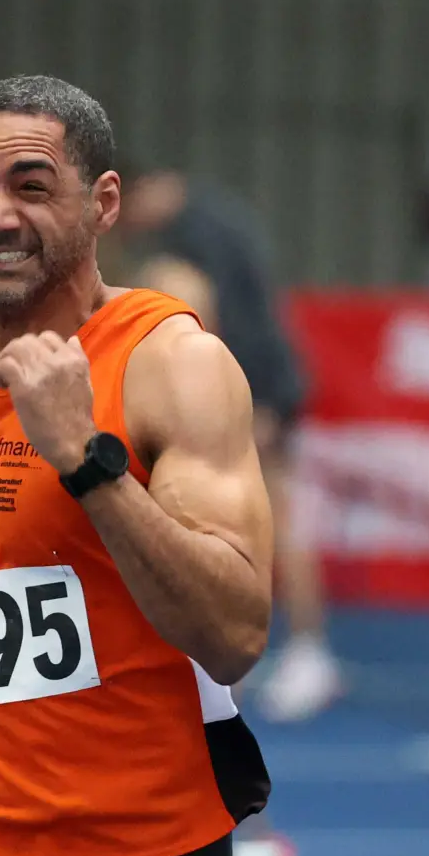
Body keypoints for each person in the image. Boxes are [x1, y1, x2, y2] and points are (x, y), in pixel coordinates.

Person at [0, 75, 273, 856]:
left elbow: (233, 634)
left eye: (31, 186)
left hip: (143, 833)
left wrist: (87, 462)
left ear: (102, 204)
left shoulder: (172, 368)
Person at [121, 166, 338, 722]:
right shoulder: (210, 221)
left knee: (275, 520)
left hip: (258, 390)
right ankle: (277, 652)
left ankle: (309, 653)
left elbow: (235, 321)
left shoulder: (201, 235)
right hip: (256, 387)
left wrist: (256, 404)